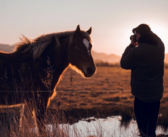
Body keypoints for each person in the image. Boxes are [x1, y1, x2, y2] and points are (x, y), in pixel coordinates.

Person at [120, 24, 165, 137]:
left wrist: (131, 45)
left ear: (139, 35)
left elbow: (124, 63)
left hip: (141, 98)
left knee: (143, 131)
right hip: (156, 97)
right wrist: (145, 33)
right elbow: (155, 38)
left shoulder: (137, 52)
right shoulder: (160, 46)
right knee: (151, 130)